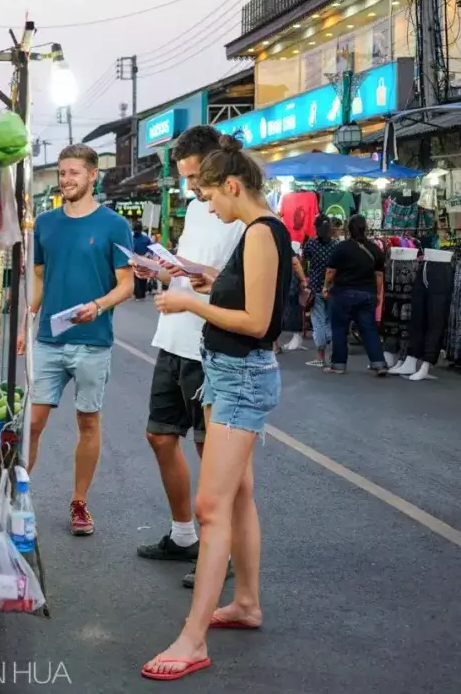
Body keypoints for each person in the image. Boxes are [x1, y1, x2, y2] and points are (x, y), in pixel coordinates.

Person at [144, 135, 290, 681]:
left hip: (239, 380)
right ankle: (246, 603)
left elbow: (256, 322)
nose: (206, 207)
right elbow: (249, 298)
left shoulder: (258, 232)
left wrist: (189, 301)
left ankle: (193, 637)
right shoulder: (260, 232)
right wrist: (205, 280)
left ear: (232, 185)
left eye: (209, 196)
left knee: (210, 508)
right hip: (230, 375)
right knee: (239, 495)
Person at [131, 125, 245, 589]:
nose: (194, 190)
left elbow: (244, 285)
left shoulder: (242, 214)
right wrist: (162, 270)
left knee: (212, 454)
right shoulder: (199, 209)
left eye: (197, 178)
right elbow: (190, 263)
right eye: (187, 180)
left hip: (209, 343)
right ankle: (183, 536)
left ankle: (225, 550)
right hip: (173, 336)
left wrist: (210, 279)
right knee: (160, 437)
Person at [16, 143, 134, 536]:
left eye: (74, 173)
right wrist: (25, 322)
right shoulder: (46, 224)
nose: (66, 179)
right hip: (49, 340)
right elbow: (38, 279)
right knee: (32, 422)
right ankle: (16, 496)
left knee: (88, 421)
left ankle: (79, 502)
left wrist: (98, 306)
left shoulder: (115, 225)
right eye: (63, 173)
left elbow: (126, 285)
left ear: (92, 176)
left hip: (92, 341)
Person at [322, 213, 388, 375]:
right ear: (365, 229)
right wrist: (379, 294)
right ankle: (378, 363)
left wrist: (325, 287)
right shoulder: (375, 249)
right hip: (367, 294)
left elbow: (331, 271)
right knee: (369, 329)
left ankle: (338, 365)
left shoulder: (341, 248)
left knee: (339, 329)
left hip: (342, 294)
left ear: (348, 229)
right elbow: (379, 275)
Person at [301, 215, 339, 367]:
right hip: (331, 287)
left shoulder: (311, 244)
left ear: (316, 228)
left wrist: (303, 280)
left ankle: (321, 357)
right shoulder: (336, 245)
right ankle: (333, 348)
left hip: (315, 287)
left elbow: (302, 262)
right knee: (330, 320)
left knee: (318, 322)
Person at [131, 219, 152, 301]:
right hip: (135, 260)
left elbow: (151, 248)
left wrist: (147, 254)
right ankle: (138, 295)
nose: (136, 232)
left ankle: (141, 294)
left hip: (144, 260)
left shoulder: (146, 239)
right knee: (137, 277)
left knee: (143, 277)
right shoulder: (131, 238)